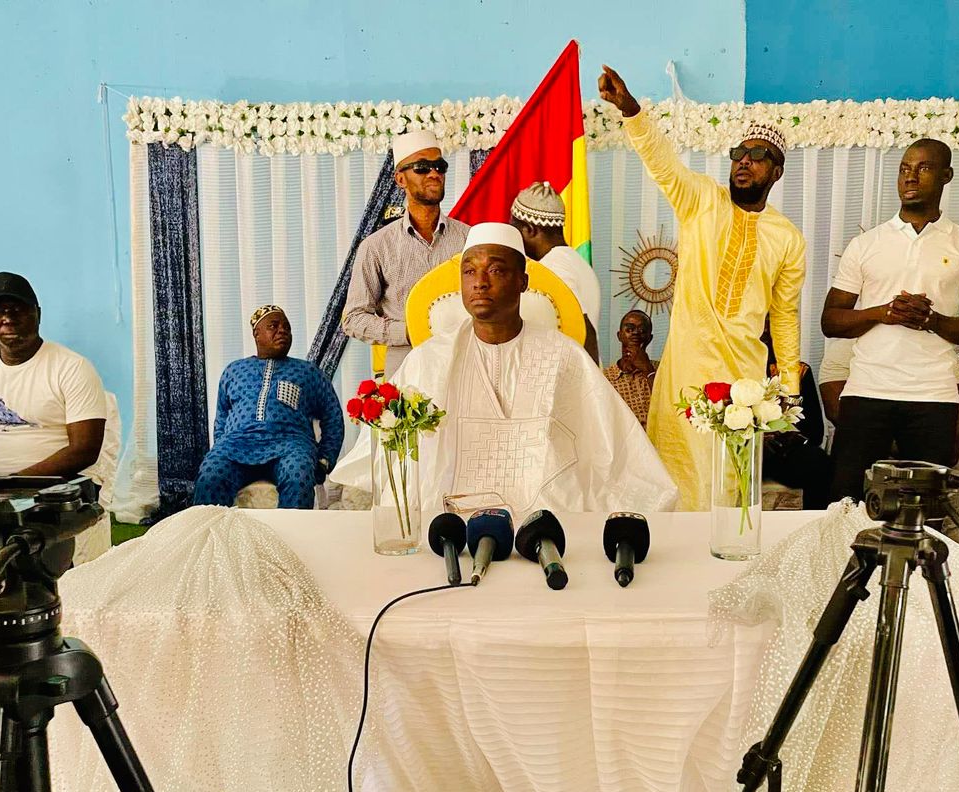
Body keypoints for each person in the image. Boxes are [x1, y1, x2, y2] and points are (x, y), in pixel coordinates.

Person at [331, 224, 678, 514]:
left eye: (496, 270)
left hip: (546, 517)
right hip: (451, 518)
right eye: (470, 271)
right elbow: (387, 450)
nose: (480, 282)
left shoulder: (564, 356)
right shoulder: (430, 359)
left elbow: (609, 440)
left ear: (523, 282)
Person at [598, 65, 804, 510]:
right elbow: (663, 164)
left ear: (776, 172)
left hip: (744, 380)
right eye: (739, 153)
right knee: (679, 476)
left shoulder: (787, 237)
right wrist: (631, 110)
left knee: (729, 483)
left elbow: (785, 317)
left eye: (758, 154)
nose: (744, 161)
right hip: (687, 371)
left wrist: (789, 391)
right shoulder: (702, 200)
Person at [822, 138, 959, 503]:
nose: (910, 177)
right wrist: (884, 313)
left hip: (933, 396)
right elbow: (831, 320)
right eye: (905, 168)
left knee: (923, 511)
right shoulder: (866, 244)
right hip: (867, 391)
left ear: (946, 176)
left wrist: (932, 320)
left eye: (923, 168)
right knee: (844, 504)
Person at [819, 337, 959, 536]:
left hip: (934, 430)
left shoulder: (933, 347)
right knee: (854, 457)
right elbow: (836, 411)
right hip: (870, 434)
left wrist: (948, 445)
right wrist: (898, 443)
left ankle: (956, 543)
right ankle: (852, 539)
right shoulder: (845, 347)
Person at [0, 272, 106, 487]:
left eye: (17, 310)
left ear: (38, 314)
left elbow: (84, 450)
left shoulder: (73, 367)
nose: (8, 319)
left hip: (60, 486)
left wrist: (12, 485)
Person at [342, 131, 470, 377]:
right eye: (422, 168)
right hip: (405, 372)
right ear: (400, 179)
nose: (434, 174)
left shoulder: (470, 239)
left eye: (440, 166)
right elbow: (354, 318)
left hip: (462, 365)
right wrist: (409, 331)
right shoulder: (376, 246)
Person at [193, 305, 344, 509]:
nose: (282, 331)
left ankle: (291, 531)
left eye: (287, 328)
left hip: (291, 445)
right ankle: (212, 532)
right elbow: (222, 417)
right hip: (237, 445)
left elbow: (332, 415)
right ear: (256, 334)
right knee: (210, 475)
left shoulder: (308, 372)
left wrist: (325, 458)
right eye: (273, 326)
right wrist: (221, 446)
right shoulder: (233, 370)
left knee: (298, 476)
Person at [510, 181, 601, 363]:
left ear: (530, 230)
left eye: (515, 229)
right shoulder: (575, 261)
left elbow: (584, 328)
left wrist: (587, 377)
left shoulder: (554, 267)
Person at [761, 331, 831, 508]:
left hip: (779, 451)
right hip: (738, 448)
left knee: (818, 462)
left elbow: (815, 433)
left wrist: (786, 437)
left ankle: (812, 522)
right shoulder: (730, 367)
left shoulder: (797, 371)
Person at [603, 309, 657, 428]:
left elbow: (669, 406)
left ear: (649, 338)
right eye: (629, 329)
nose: (635, 333)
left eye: (642, 330)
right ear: (619, 336)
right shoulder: (604, 377)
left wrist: (648, 370)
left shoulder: (662, 370)